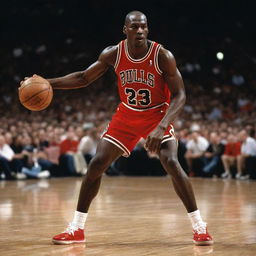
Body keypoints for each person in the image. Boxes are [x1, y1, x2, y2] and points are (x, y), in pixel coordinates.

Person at [20, 11, 213, 245]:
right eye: (134, 27)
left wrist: (162, 127)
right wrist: (45, 83)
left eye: (143, 27)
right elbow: (83, 78)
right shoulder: (113, 53)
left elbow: (180, 95)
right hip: (127, 115)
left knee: (171, 162)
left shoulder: (163, 56)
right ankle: (76, 228)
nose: (140, 31)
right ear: (125, 29)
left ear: (147, 29)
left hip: (156, 115)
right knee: (96, 164)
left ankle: (199, 226)